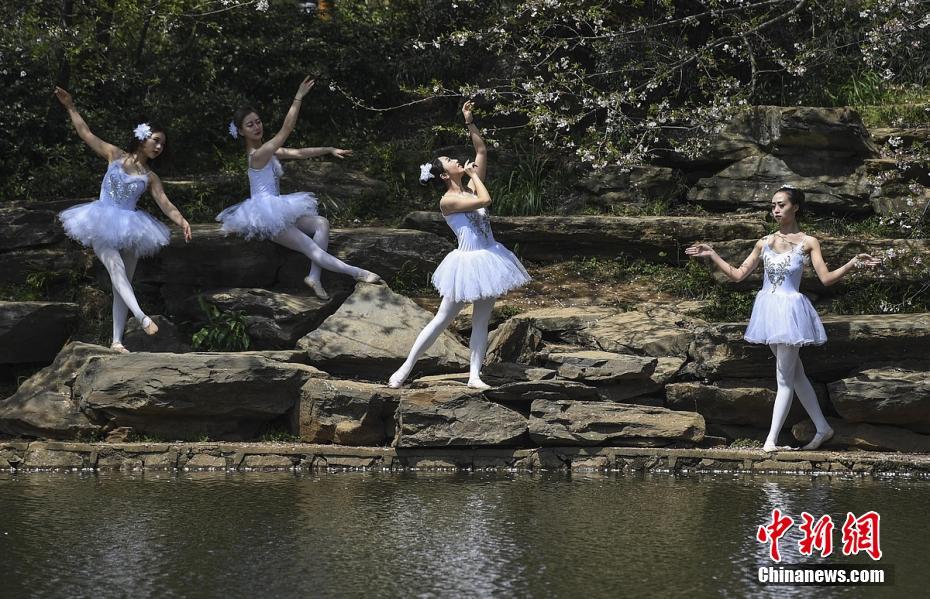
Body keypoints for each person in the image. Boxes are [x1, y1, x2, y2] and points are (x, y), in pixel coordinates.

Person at [686, 186, 879, 452]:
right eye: (773, 205)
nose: (775, 210)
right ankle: (823, 428)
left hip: (790, 313)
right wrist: (713, 254)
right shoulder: (764, 242)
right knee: (795, 374)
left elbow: (826, 278)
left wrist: (853, 262)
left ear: (795, 207)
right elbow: (738, 274)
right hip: (768, 311)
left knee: (785, 378)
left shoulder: (809, 242)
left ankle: (770, 441)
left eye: (781, 205)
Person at [388, 101, 531, 390]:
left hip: (490, 258)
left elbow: (481, 151)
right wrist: (476, 176)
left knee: (481, 320)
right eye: (449, 162)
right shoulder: (448, 201)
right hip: (466, 264)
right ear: (444, 175)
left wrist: (469, 122)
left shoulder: (469, 185)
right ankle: (405, 368)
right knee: (442, 318)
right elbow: (485, 201)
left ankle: (474, 375)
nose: (456, 161)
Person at [55, 86, 192, 353]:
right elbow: (86, 134)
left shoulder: (150, 176)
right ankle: (142, 316)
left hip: (131, 226)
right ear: (142, 138)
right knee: (115, 270)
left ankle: (117, 341)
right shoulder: (115, 155)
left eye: (162, 143)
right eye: (156, 140)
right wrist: (71, 107)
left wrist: (182, 220)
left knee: (123, 283)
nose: (160, 146)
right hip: (100, 219)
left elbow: (165, 203)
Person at [217, 76, 380, 300]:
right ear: (241, 132)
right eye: (250, 124)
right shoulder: (258, 154)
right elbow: (285, 131)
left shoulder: (267, 150)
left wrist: (329, 149)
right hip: (267, 214)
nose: (257, 126)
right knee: (308, 247)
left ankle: (314, 276)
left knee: (322, 223)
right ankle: (357, 273)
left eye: (257, 121)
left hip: (278, 207)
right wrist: (298, 98)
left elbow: (299, 153)